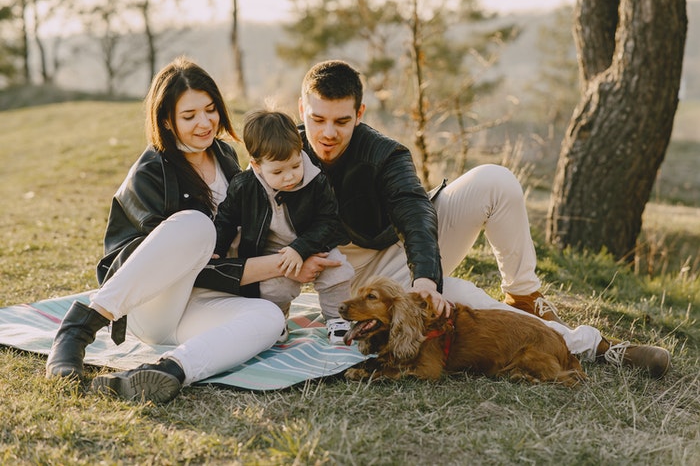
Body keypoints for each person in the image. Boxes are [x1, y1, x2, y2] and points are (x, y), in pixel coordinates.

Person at [293, 59, 671, 378]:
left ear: (359, 114)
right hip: (350, 280)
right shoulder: (284, 154)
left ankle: (525, 295)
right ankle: (595, 345)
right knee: (465, 299)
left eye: (341, 121)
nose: (328, 133)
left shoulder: (385, 154)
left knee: (495, 179)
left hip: (404, 252)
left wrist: (427, 278)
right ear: (301, 110)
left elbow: (415, 210)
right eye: (317, 119)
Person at [45, 57, 291, 403]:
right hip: (150, 304)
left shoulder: (224, 156)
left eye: (210, 110)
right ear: (167, 121)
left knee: (268, 319)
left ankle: (169, 370)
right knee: (196, 225)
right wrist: (279, 265)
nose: (205, 123)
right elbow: (171, 262)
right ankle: (78, 329)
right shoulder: (150, 172)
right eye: (190, 116)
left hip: (196, 306)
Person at [213, 109, 354, 344]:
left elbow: (328, 220)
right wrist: (217, 246)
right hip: (271, 251)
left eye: (295, 166)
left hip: (313, 242)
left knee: (337, 271)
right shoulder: (244, 186)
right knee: (273, 288)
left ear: (300, 152)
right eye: (278, 171)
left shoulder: (316, 180)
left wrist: (301, 248)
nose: (290, 177)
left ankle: (336, 318)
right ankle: (275, 317)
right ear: (256, 166)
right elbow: (226, 219)